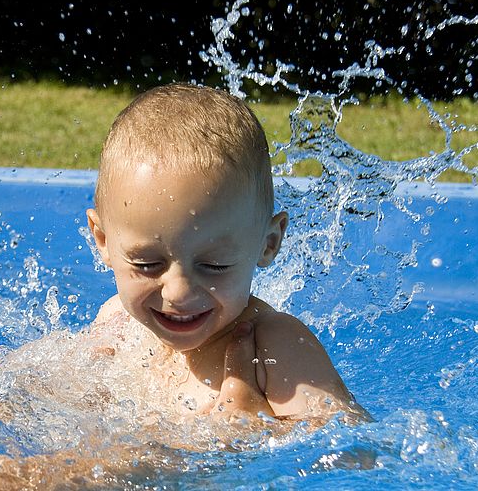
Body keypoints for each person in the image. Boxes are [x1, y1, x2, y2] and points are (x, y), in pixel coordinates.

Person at [85, 82, 367, 422]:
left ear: (268, 244)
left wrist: (256, 427)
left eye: (213, 265)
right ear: (103, 240)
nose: (178, 292)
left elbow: (356, 449)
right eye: (147, 264)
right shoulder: (116, 324)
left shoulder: (275, 347)